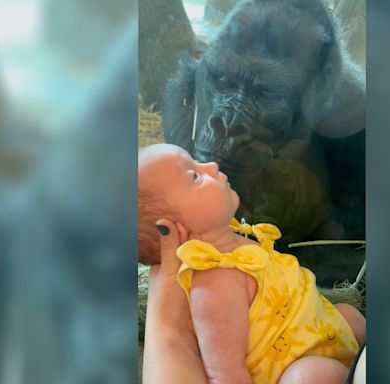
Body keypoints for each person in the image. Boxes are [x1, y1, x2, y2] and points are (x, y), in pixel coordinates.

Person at [139, 143, 365, 384]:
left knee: (350, 316)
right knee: (312, 376)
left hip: (318, 331)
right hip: (291, 366)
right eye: (194, 176)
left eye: (197, 161)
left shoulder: (235, 241)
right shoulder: (214, 282)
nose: (212, 166)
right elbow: (226, 374)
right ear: (176, 228)